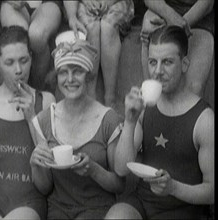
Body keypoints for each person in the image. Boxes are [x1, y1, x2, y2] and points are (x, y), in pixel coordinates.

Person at [104, 26, 214, 219]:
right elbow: (121, 168)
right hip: (143, 202)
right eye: (153, 62)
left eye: (167, 62)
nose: (157, 71)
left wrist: (173, 188)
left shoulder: (204, 119)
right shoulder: (144, 107)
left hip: (184, 209)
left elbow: (212, 191)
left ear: (185, 64)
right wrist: (130, 120)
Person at [29, 39, 125, 219]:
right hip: (58, 211)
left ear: (89, 76)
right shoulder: (44, 120)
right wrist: (35, 165)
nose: (70, 79)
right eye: (63, 73)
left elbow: (119, 185)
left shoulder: (108, 119)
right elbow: (45, 188)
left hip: (97, 210)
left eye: (77, 71)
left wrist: (93, 170)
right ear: (56, 77)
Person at [0, 26, 56, 220]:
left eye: (24, 61)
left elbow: (48, 182)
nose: (19, 70)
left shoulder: (46, 101)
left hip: (29, 200)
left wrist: (32, 115)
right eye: (9, 62)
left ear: (31, 58)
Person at [140, 0, 214, 96]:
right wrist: (171, 17)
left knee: (194, 88)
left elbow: (207, 4)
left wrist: (178, 26)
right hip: (163, 8)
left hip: (198, 15)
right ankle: (150, 96)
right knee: (149, 27)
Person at [76, 0, 134, 108]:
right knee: (91, 28)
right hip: (86, 3)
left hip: (118, 2)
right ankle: (90, 96)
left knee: (108, 27)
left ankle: (110, 98)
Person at [0, 0, 63, 90]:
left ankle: (38, 91)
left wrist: (72, 15)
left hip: (49, 3)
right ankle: (16, 90)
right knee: (18, 36)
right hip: (11, 4)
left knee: (37, 35)